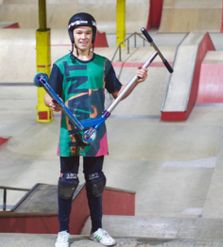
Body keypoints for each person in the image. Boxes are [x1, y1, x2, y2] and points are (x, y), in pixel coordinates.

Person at [44, 12, 148, 247]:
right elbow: (49, 96)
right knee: (67, 182)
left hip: (95, 131)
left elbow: (117, 94)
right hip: (69, 132)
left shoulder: (103, 64)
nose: (83, 37)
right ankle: (63, 232)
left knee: (95, 181)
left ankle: (97, 229)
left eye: (88, 33)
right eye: (79, 33)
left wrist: (137, 81)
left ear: (93, 36)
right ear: (72, 35)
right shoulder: (60, 65)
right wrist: (49, 103)